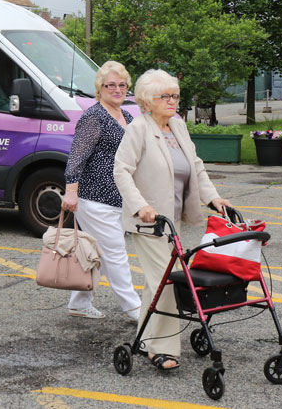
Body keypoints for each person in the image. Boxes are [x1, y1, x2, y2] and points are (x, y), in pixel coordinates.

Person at [114, 69, 234, 372]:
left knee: (155, 282)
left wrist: (214, 198)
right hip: (149, 223)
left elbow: (196, 165)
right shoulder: (138, 129)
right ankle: (161, 348)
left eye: (175, 95)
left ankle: (143, 339)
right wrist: (140, 206)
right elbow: (121, 171)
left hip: (172, 220)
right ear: (146, 101)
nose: (172, 101)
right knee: (165, 281)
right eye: (165, 96)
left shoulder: (177, 128)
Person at [61, 61, 141, 322]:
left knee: (100, 254)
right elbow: (76, 157)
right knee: (116, 254)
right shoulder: (94, 117)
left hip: (119, 199)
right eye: (111, 85)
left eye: (122, 85)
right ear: (100, 88)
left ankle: (79, 301)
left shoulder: (127, 117)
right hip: (94, 198)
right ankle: (134, 309)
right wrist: (70, 192)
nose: (117, 89)